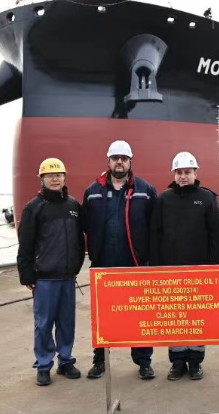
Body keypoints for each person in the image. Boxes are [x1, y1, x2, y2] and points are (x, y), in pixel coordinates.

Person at [81, 140, 158, 380]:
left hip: (135, 263)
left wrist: (151, 261)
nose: (119, 162)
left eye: (124, 158)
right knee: (102, 315)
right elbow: (84, 225)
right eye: (115, 158)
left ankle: (144, 362)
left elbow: (155, 226)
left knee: (140, 314)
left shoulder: (145, 190)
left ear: (130, 162)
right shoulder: (93, 191)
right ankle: (100, 360)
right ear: (109, 161)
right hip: (103, 264)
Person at [150, 151, 219, 381]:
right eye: (179, 172)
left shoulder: (207, 198)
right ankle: (177, 362)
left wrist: (213, 267)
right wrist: (157, 268)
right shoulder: (164, 199)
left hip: (199, 271)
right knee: (175, 318)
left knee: (197, 318)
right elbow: (155, 234)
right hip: (171, 271)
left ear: (195, 173)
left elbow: (215, 235)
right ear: (174, 174)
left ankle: (195, 361)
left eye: (187, 172)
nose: (183, 176)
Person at [17, 158, 86, 386]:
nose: (55, 179)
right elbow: (25, 244)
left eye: (58, 175)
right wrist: (27, 275)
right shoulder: (33, 208)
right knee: (44, 324)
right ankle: (44, 364)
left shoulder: (73, 205)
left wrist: (75, 266)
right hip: (44, 277)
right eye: (50, 176)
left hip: (67, 277)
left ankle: (65, 361)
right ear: (42, 179)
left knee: (67, 322)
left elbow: (79, 240)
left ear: (64, 177)